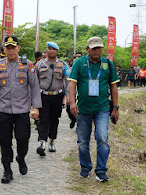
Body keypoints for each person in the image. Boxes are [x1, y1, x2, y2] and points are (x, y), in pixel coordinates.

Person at [0, 36, 41, 184]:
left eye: (13, 48)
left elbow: (35, 87)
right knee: (5, 141)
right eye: (7, 48)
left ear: (18, 48)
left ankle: (21, 158)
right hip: (3, 110)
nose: (10, 51)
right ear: (4, 49)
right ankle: (7, 169)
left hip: (22, 110)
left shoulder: (27, 65)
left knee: (23, 139)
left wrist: (35, 107)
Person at [68, 36, 119, 182]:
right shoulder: (79, 63)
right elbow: (72, 84)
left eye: (99, 48)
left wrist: (115, 107)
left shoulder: (108, 64)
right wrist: (72, 102)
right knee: (83, 141)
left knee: (102, 138)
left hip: (102, 109)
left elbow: (114, 86)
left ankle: (101, 170)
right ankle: (85, 167)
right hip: (83, 109)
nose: (97, 51)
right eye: (94, 48)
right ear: (87, 49)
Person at [35, 41, 69, 155]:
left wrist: (68, 97)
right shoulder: (39, 64)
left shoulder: (63, 64)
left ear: (57, 51)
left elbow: (67, 81)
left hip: (57, 96)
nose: (51, 51)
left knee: (54, 119)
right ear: (46, 50)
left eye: (53, 49)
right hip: (43, 95)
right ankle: (42, 142)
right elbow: (34, 81)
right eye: (49, 48)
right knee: (43, 119)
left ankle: (52, 141)